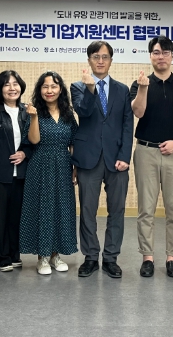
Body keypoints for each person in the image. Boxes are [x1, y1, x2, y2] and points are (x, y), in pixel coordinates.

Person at [130, 36, 173, 278]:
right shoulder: (139, 83)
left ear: (172, 56)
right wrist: (143, 88)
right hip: (145, 151)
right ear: (150, 56)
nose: (161, 57)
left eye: (165, 52)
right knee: (145, 209)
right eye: (156, 52)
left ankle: (172, 257)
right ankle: (147, 257)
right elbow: (138, 112)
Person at [71, 41, 134, 278]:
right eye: (95, 56)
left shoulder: (122, 89)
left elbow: (127, 124)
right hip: (88, 157)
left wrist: (125, 156)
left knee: (117, 210)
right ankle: (90, 257)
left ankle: (110, 257)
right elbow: (83, 112)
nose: (100, 61)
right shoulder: (77, 87)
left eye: (105, 57)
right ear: (89, 60)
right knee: (87, 210)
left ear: (111, 61)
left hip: (116, 159)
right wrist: (90, 89)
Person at [20, 71, 78, 275]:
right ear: (40, 90)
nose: (49, 90)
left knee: (61, 209)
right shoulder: (34, 112)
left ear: (60, 89)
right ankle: (42, 257)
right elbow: (34, 140)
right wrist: (34, 117)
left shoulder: (68, 114)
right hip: (40, 164)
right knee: (42, 209)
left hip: (63, 165)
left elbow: (74, 143)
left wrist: (75, 168)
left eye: (54, 86)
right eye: (45, 87)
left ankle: (55, 255)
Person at [0, 70, 32, 272]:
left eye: (15, 84)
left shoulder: (27, 111)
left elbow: (34, 139)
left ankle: (14, 254)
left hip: (22, 173)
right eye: (6, 84)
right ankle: (1, 257)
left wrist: (25, 153)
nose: (12, 88)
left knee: (16, 216)